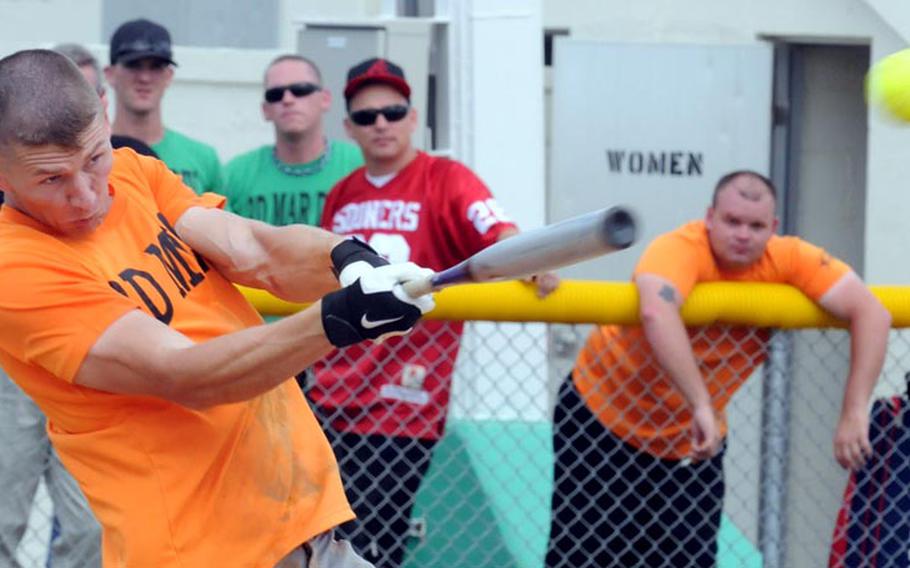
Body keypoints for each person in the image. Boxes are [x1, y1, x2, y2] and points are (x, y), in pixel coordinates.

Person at [0, 49, 437, 567]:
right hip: (200, 552)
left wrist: (345, 258)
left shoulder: (135, 173)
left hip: (302, 526)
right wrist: (337, 319)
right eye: (52, 179)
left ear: (105, 111)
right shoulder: (14, 266)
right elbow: (185, 374)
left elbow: (253, 250)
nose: (86, 197)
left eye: (95, 159)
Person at [545, 170, 892, 568]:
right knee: (581, 558)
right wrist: (701, 404)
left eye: (756, 225)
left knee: (690, 558)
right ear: (710, 217)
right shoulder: (681, 247)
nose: (743, 234)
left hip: (689, 443)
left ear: (773, 228)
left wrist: (854, 410)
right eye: (732, 221)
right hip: (599, 422)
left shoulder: (791, 258)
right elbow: (656, 311)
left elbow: (872, 314)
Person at [309, 57, 559, 568]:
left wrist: (530, 261)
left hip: (403, 399)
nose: (381, 123)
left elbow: (497, 232)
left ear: (412, 115)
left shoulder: (446, 178)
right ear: (349, 127)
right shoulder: (343, 193)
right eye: (367, 115)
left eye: (393, 111)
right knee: (316, 535)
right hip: (333, 390)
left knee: (371, 541)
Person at [222, 54, 362, 226]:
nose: (288, 100)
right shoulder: (235, 175)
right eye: (276, 94)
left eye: (300, 90)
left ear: (325, 99)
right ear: (265, 110)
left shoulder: (359, 166)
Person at [104, 18, 223, 194]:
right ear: (110, 74)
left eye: (156, 67)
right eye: (133, 65)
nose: (144, 78)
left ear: (169, 76)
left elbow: (222, 220)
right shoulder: (94, 155)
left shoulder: (204, 158)